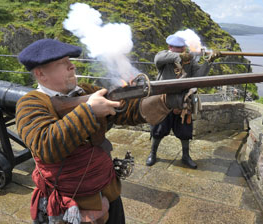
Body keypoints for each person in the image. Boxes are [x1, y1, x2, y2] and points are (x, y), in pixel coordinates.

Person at [15, 39, 183, 224]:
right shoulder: (30, 103)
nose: (72, 66)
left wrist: (165, 101)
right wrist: (89, 111)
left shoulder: (85, 91)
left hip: (106, 188)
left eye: (69, 61)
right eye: (62, 64)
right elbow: (45, 146)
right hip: (69, 201)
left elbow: (126, 110)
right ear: (40, 73)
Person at [146, 34, 219, 169]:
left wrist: (209, 61)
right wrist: (179, 56)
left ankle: (185, 156)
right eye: (177, 48)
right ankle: (153, 153)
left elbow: (199, 77)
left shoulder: (189, 62)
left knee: (185, 132)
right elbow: (158, 58)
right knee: (158, 130)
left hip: (183, 102)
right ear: (170, 47)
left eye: (182, 48)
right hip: (164, 101)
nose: (180, 50)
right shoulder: (164, 57)